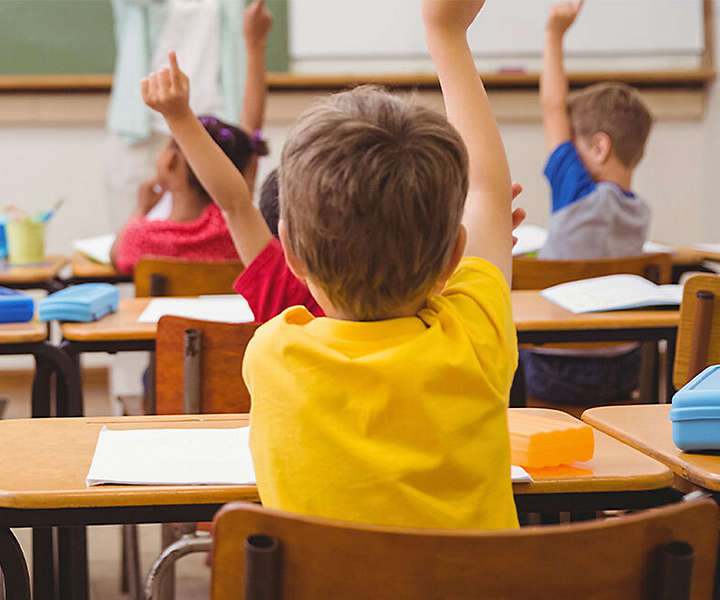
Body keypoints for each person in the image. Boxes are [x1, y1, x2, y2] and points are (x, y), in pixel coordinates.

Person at [141, 0, 522, 529]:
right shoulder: (477, 337)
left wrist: (180, 119)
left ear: (291, 252)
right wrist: (446, 34)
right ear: (453, 255)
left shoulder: (275, 353)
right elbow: (488, 192)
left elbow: (234, 204)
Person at [521, 0, 654, 407]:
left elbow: (552, 107)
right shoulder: (639, 212)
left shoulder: (577, 192)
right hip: (622, 364)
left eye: (575, 148)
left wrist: (553, 35)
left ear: (599, 147)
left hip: (556, 365)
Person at [110, 0, 273, 274]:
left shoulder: (143, 238)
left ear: (171, 164)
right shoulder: (239, 232)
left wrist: (140, 209)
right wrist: (255, 45)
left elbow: (118, 257)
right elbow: (251, 134)